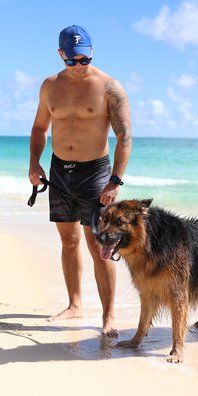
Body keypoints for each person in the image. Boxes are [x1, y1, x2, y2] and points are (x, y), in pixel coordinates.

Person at [28, 25, 132, 337]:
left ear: (92, 51)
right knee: (69, 240)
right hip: (60, 171)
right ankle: (75, 304)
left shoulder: (110, 87)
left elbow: (124, 137)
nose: (77, 66)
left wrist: (115, 181)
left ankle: (109, 315)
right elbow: (38, 128)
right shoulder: (49, 86)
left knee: (99, 244)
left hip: (95, 174)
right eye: (70, 60)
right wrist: (34, 162)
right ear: (60, 54)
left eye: (83, 59)